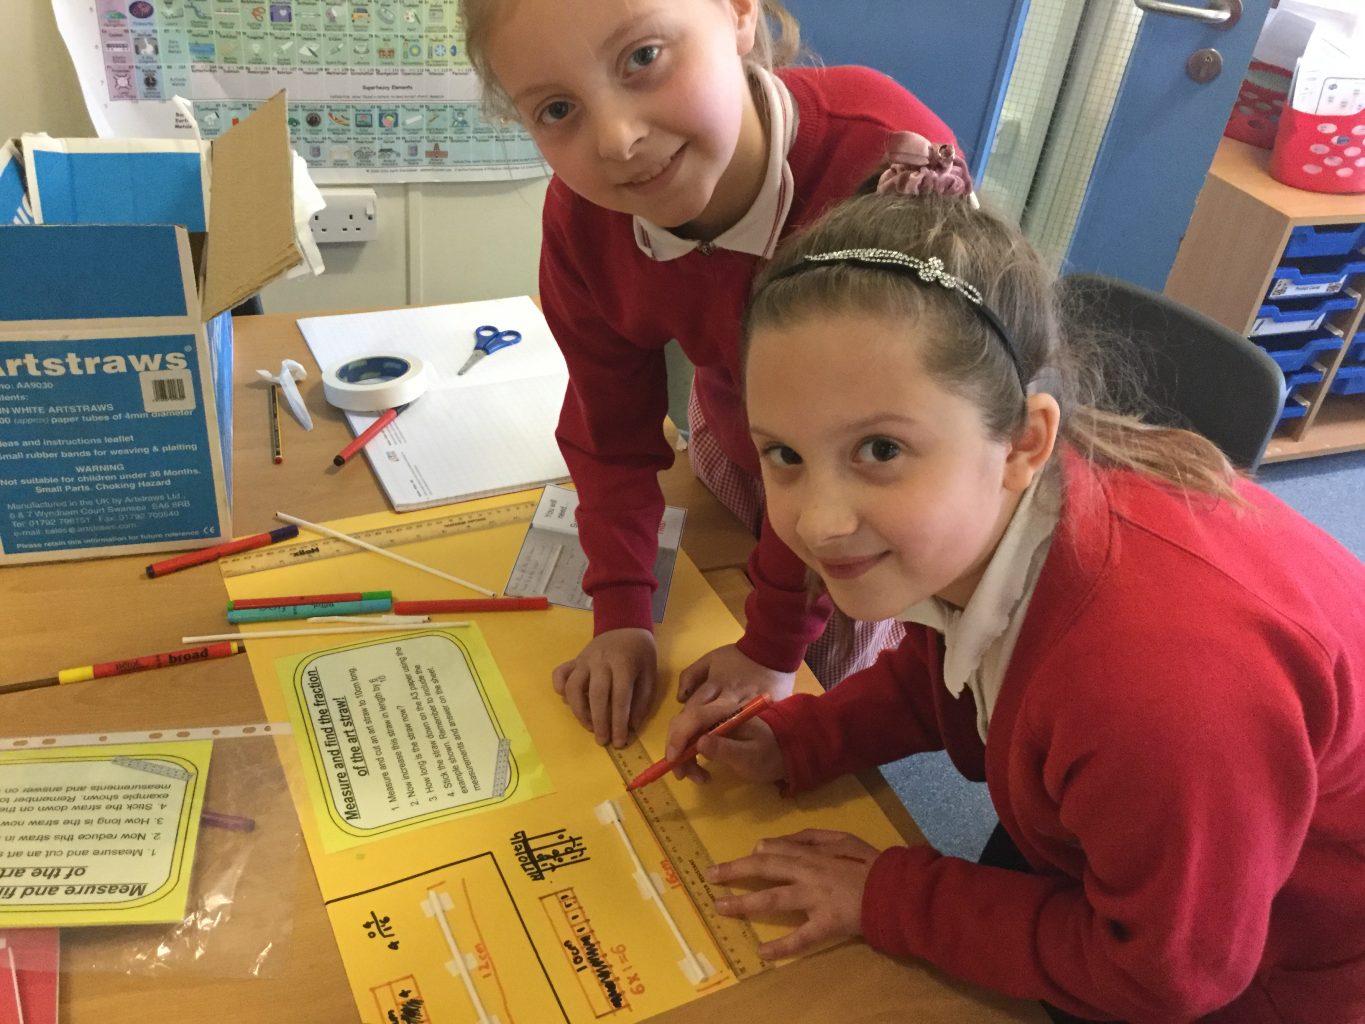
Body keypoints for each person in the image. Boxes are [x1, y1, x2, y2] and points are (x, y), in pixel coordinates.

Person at [674, 190, 1365, 1023]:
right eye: (783, 453)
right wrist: (798, 738)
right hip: (1137, 859)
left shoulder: (1156, 689)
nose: (817, 522)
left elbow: (1166, 973)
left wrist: (889, 896)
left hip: (1287, 968)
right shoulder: (988, 526)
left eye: (880, 449)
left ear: (1023, 442)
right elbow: (948, 665)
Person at [459, 0, 962, 746]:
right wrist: (621, 612)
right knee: (728, 569)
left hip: (868, 477)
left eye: (643, 57)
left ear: (738, 13)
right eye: (557, 109)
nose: (618, 140)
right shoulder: (582, 221)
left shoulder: (881, 167)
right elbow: (609, 432)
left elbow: (850, 476)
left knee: (818, 703)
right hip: (732, 437)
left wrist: (772, 646)